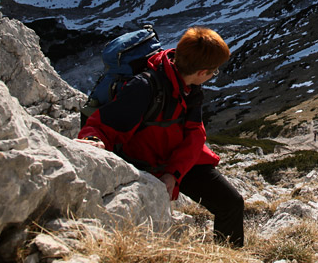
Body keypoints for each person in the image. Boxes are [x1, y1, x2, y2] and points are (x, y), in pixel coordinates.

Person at [76, 26, 245, 247]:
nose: (213, 75)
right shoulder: (144, 87)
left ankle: (228, 257)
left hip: (175, 161)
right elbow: (102, 125)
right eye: (214, 71)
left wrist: (173, 173)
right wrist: (91, 142)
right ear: (202, 72)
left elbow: (195, 135)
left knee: (231, 203)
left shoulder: (190, 87)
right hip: (144, 164)